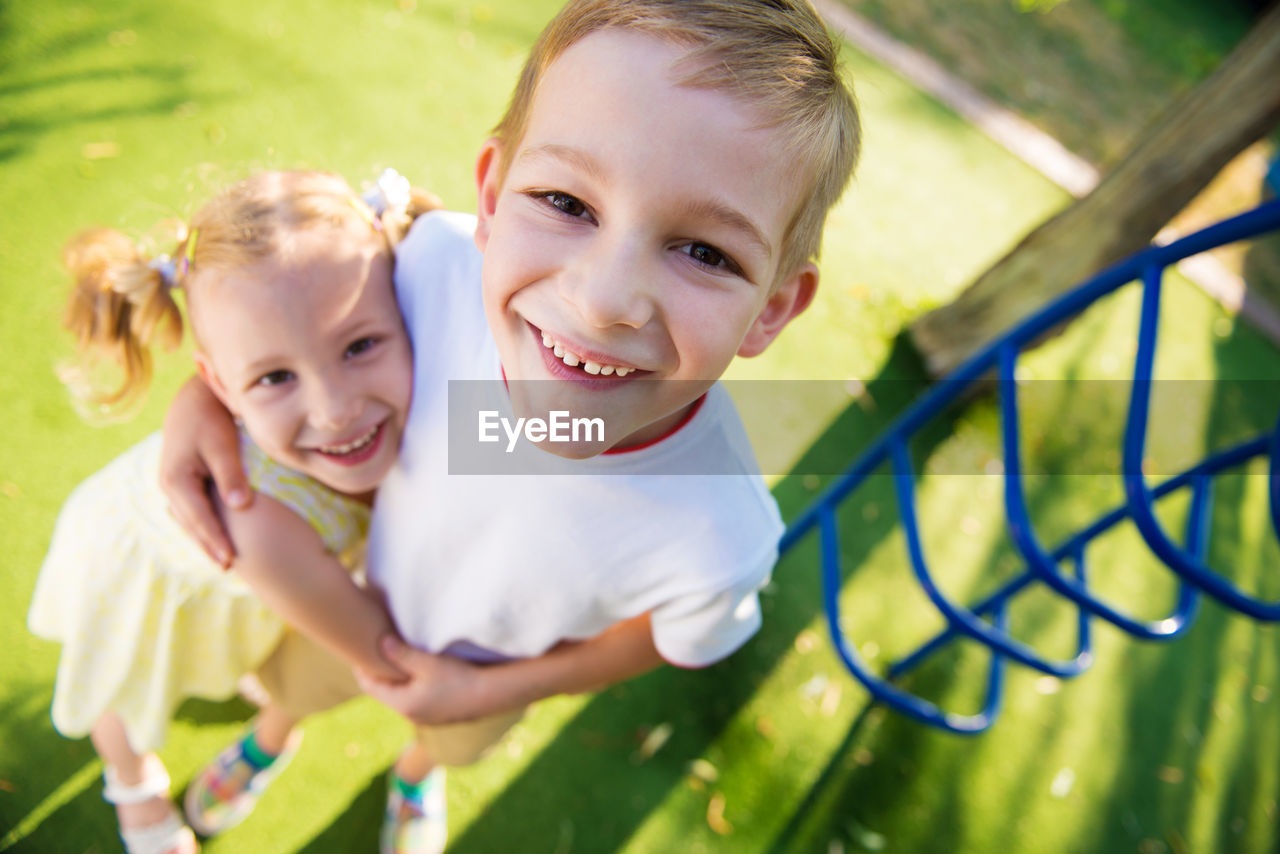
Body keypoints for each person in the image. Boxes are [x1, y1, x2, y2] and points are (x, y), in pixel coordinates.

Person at [159, 1, 862, 852]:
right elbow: (279, 322)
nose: (603, 302)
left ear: (772, 308)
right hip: (349, 600)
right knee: (295, 686)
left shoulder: (720, 532)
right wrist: (202, 402)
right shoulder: (429, 272)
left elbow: (665, 636)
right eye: (566, 201)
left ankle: (418, 773)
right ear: (490, 197)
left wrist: (485, 693)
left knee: (443, 741)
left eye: (706, 253)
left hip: (491, 675)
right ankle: (272, 736)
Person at [27, 169, 443, 854]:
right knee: (126, 688)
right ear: (218, 386)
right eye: (275, 377)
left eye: (360, 344)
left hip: (271, 579)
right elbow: (377, 650)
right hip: (153, 577)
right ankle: (133, 790)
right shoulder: (255, 519)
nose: (335, 409)